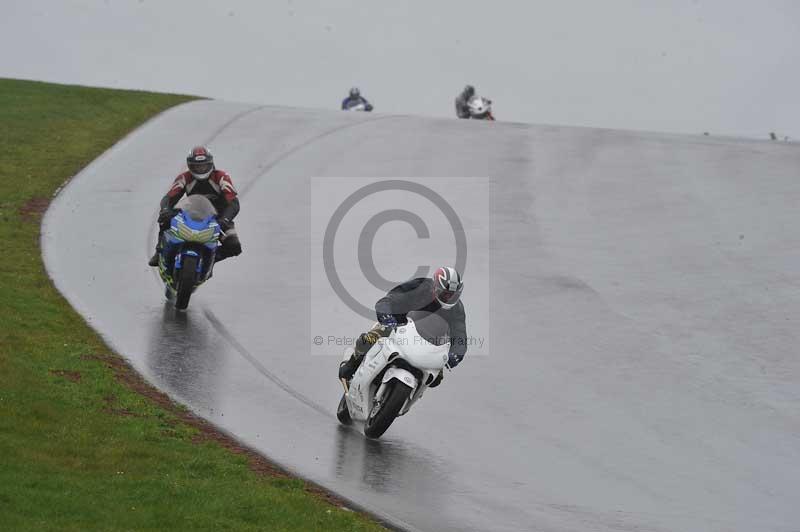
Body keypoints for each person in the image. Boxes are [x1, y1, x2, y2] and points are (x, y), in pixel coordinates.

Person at [338, 266, 467, 387]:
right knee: (368, 340)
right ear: (435, 287)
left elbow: (460, 333)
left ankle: (411, 396)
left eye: (453, 296)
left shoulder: (457, 309)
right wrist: (386, 314)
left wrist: (456, 353)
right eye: (445, 294)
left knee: (436, 379)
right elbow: (392, 297)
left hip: (430, 343)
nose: (449, 299)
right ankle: (352, 364)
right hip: (398, 326)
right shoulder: (420, 286)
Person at [148, 146, 242, 267]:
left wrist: (224, 220)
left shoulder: (221, 177)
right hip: (190, 214)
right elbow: (169, 197)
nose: (200, 169)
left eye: (203, 165)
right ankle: (159, 252)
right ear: (190, 165)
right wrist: (165, 210)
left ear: (210, 164)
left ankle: (207, 261)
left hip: (219, 217)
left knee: (234, 246)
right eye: (197, 166)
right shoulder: (184, 177)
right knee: (164, 218)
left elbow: (234, 203)